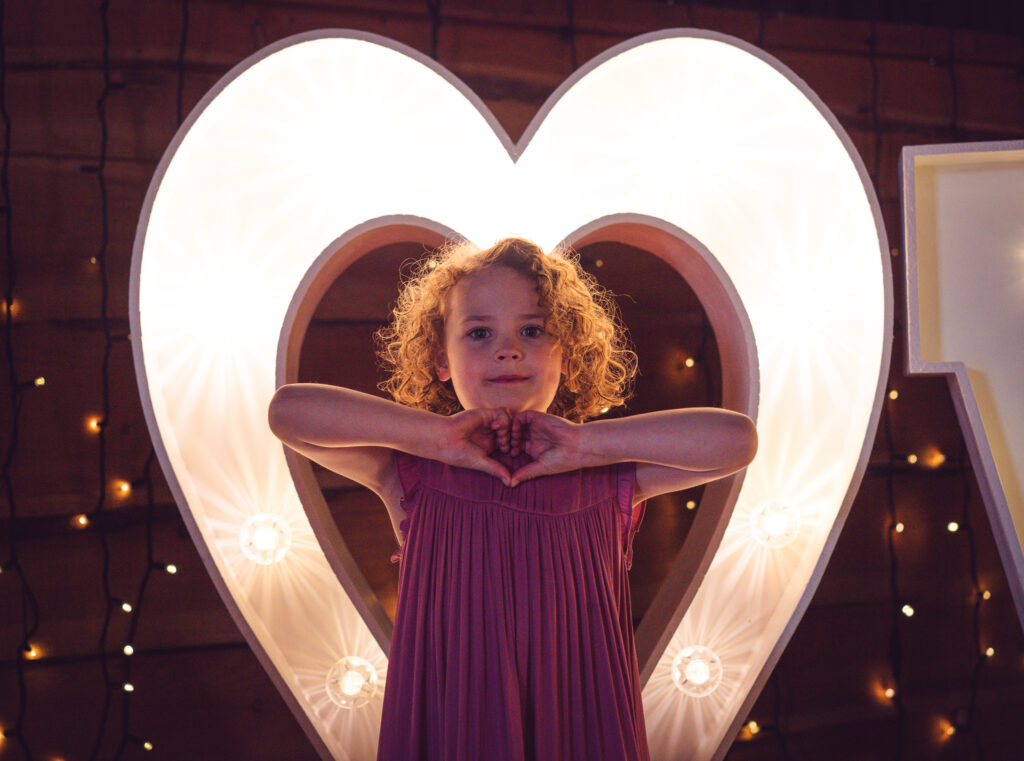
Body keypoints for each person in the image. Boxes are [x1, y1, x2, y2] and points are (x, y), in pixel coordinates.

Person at [268, 237, 757, 761]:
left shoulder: (604, 474)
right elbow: (289, 412)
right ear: (441, 358)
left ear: (567, 353)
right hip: (456, 726)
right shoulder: (412, 473)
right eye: (479, 332)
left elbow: (736, 441)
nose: (508, 350)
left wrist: (585, 444)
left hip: (577, 727)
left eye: (532, 330)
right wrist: (435, 437)